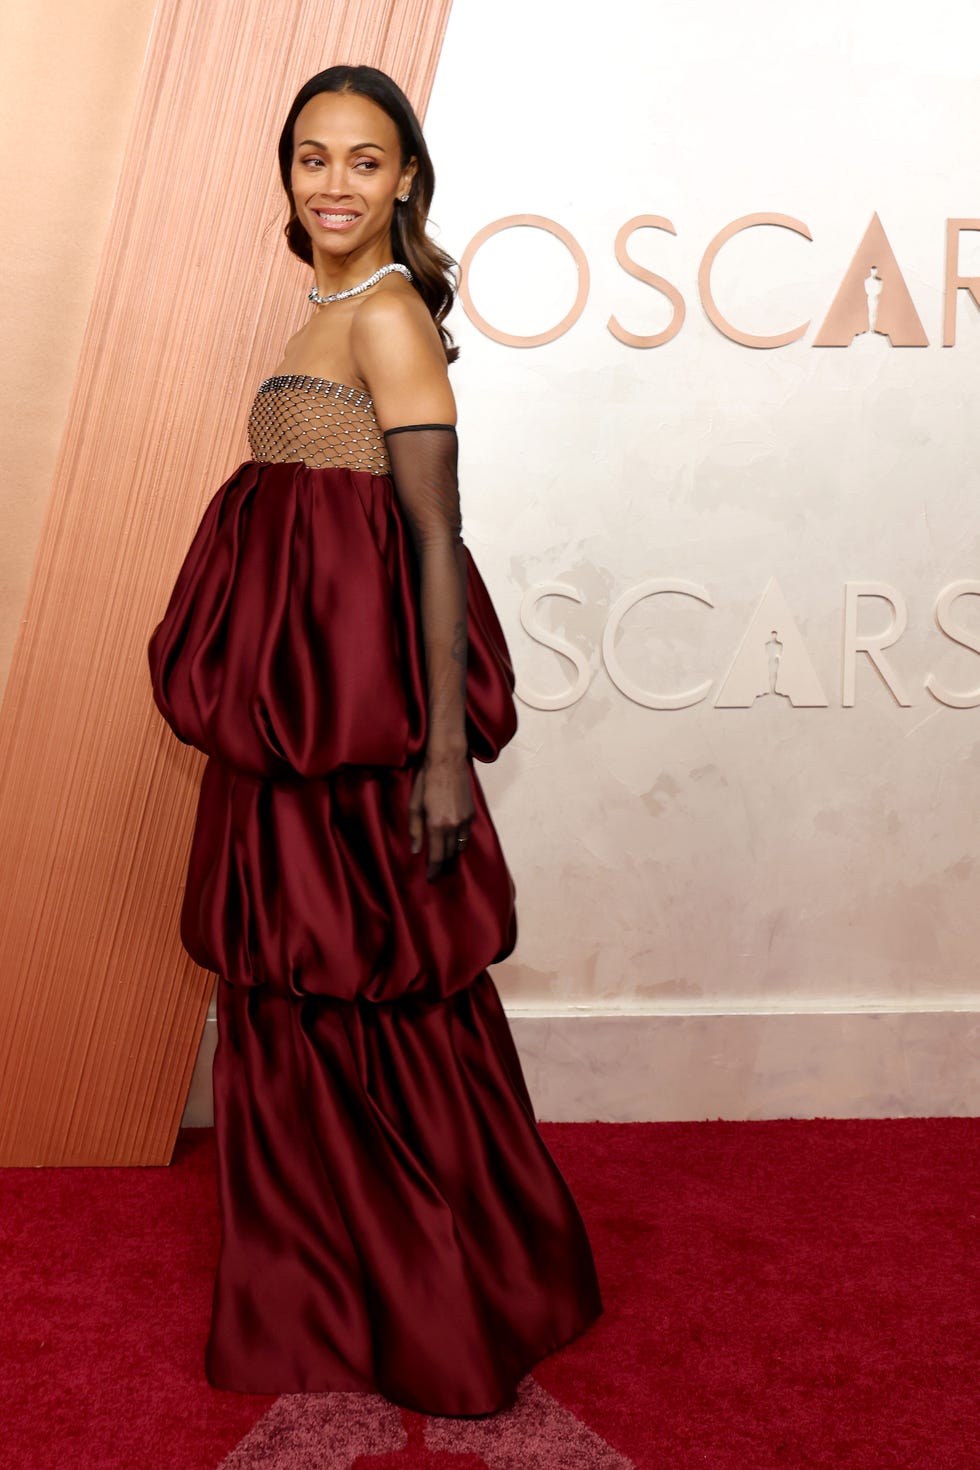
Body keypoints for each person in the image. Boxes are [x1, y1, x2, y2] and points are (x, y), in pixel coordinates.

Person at [147, 63, 602, 1418]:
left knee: (359, 992)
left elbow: (432, 545)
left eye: (363, 160)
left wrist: (446, 753)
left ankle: (422, 1298)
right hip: (290, 720)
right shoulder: (329, 308)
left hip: (358, 732)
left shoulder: (391, 316)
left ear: (408, 177)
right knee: (292, 996)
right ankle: (327, 1290)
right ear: (287, 178)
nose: (333, 183)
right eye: (310, 158)